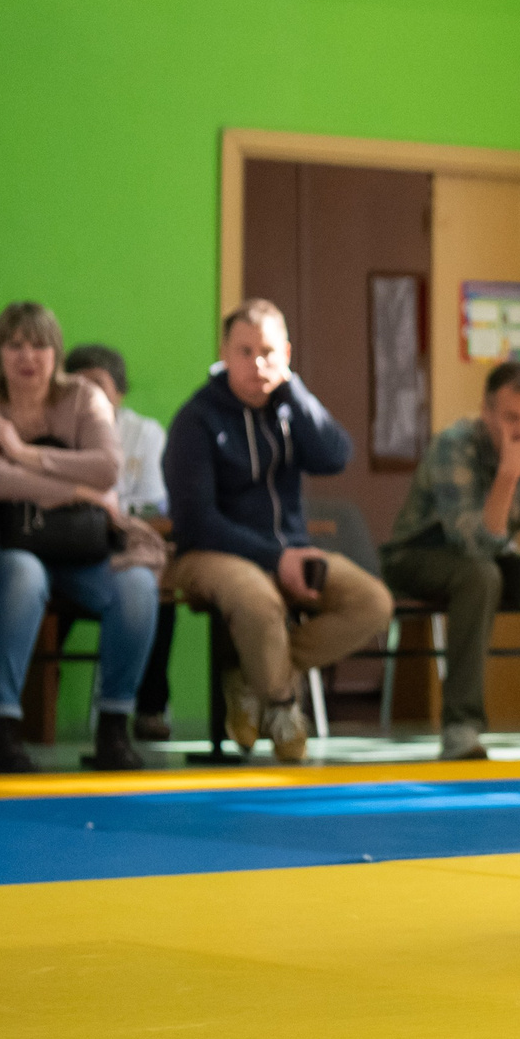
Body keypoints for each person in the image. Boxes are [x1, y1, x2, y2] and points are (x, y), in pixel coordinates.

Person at [160, 297, 393, 763]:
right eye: (244, 352)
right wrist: (275, 558)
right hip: (208, 552)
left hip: (292, 549)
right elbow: (197, 521)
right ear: (224, 354)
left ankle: (252, 675)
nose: (256, 363)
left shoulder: (288, 408)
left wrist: (296, 394)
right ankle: (284, 707)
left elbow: (335, 456)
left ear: (286, 354)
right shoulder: (196, 420)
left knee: (373, 603)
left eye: (267, 351)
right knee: (260, 602)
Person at [0, 303, 161, 775]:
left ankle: (113, 728)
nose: (28, 356)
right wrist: (77, 491)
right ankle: (0, 730)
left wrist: (23, 453)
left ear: (57, 353)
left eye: (40, 345)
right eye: (15, 345)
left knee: (137, 586)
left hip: (80, 548)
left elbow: (107, 466)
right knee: (25, 575)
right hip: (2, 547)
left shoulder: (85, 396)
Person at [380, 361, 520, 760]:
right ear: (487, 413)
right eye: (512, 417)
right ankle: (461, 726)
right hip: (418, 555)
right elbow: (473, 544)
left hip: (487, 559)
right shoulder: (454, 444)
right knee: (480, 576)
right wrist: (509, 474)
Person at [66, 343, 176, 740]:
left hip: (124, 544)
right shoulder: (57, 430)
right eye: (76, 385)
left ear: (120, 393)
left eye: (97, 385)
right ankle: (34, 708)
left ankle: (149, 707)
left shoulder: (144, 433)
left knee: (153, 587)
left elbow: (151, 504)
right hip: (69, 546)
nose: (87, 395)